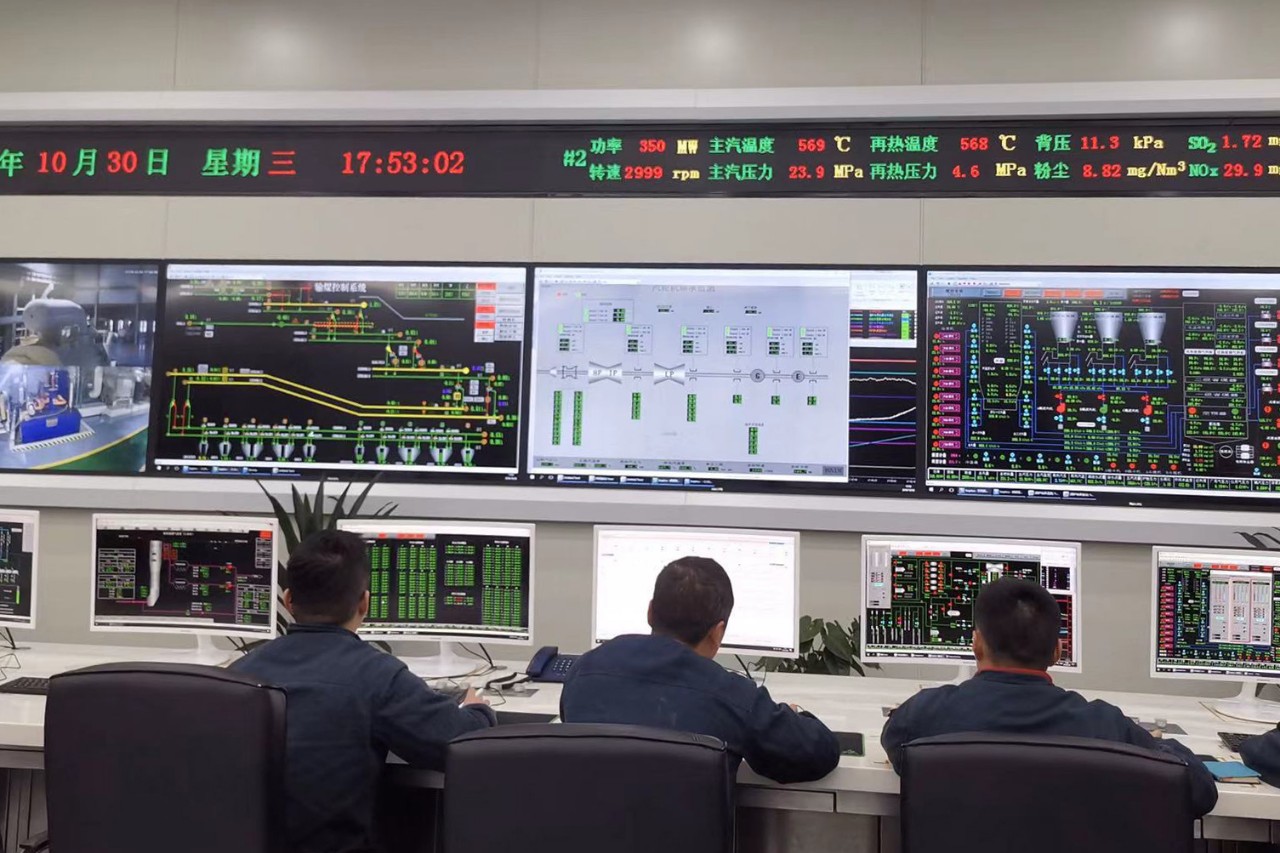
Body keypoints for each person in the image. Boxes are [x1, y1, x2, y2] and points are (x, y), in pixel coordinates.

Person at [231, 530, 495, 853]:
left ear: (288, 601)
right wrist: (477, 709)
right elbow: (464, 747)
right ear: (364, 603)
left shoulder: (237, 675)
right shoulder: (377, 676)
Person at [880, 577, 1217, 816]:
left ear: (976, 644)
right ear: (1058, 651)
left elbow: (898, 750)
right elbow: (1199, 790)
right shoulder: (1104, 725)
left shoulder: (924, 715)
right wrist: (1158, 744)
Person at [559, 556, 840, 784]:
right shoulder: (732, 696)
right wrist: (793, 715)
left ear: (650, 612)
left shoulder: (584, 671)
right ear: (718, 632)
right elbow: (818, 754)